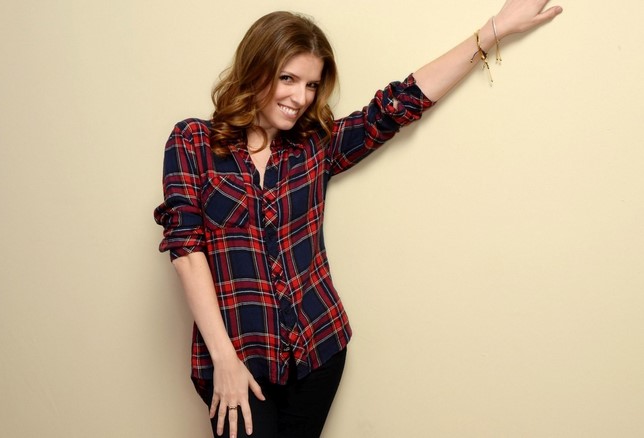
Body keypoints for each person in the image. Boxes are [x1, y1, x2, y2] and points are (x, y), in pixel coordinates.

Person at [154, 1, 562, 436]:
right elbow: (187, 250)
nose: (299, 98)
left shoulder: (314, 146)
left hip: (318, 346)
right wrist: (224, 360)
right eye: (287, 78)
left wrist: (495, 28)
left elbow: (398, 105)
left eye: (311, 84)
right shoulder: (193, 141)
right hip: (235, 358)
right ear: (256, 69)